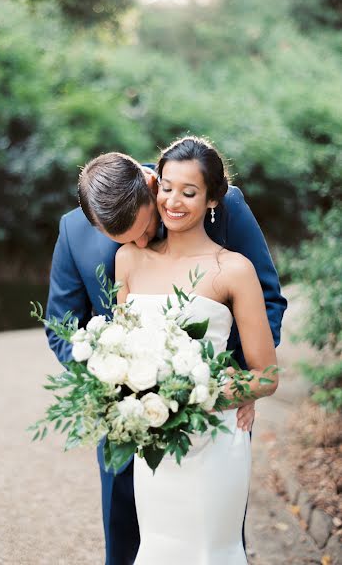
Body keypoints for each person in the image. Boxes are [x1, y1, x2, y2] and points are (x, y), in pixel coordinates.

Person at [45, 148, 287, 565]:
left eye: (143, 229)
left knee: (210, 539)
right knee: (125, 535)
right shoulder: (74, 231)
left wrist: (238, 380)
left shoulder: (218, 203)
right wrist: (115, 387)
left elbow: (267, 299)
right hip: (129, 414)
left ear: (151, 186)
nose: (141, 242)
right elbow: (63, 328)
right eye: (125, 239)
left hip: (212, 412)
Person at [115, 136, 279, 563]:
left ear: (211, 199)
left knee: (210, 551)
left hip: (213, 441)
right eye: (166, 187)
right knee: (157, 546)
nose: (173, 201)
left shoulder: (233, 269)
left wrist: (222, 394)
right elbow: (120, 353)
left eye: (189, 192)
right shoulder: (127, 261)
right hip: (151, 440)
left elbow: (266, 375)